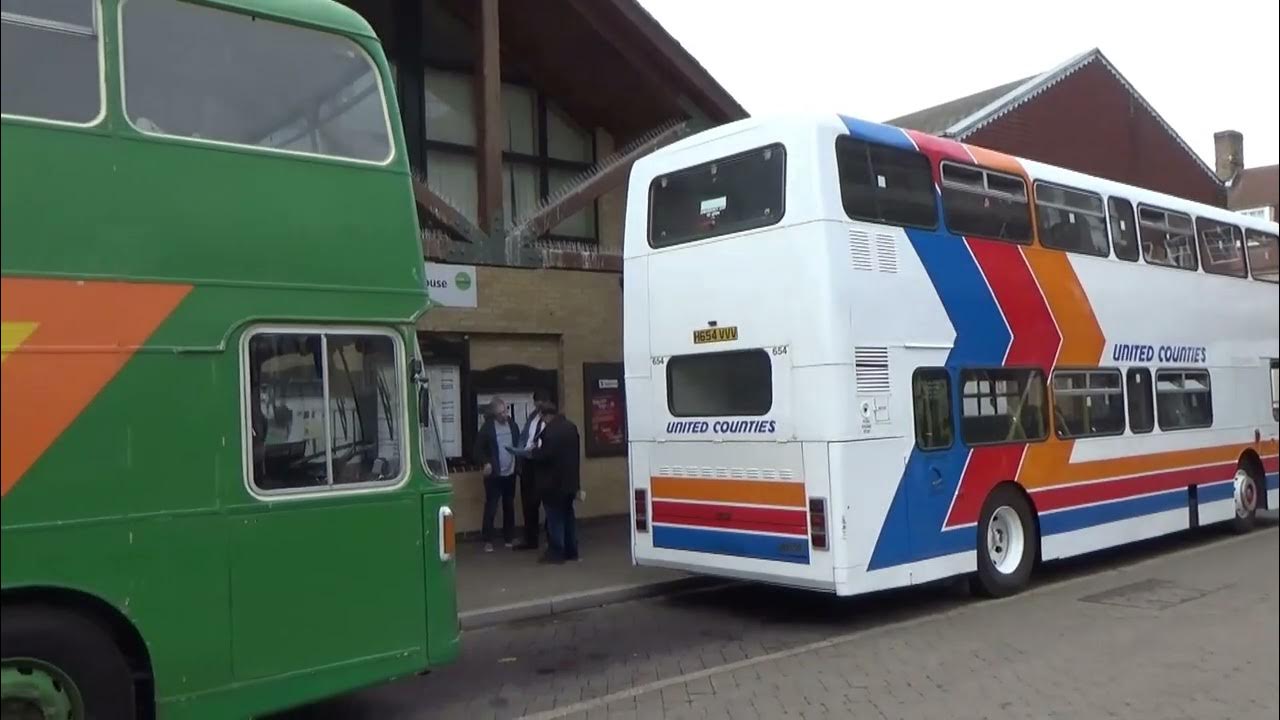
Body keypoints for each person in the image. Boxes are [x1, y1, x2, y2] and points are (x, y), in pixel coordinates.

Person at [524, 399, 581, 564]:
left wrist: (533, 453)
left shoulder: (550, 431)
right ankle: (572, 551)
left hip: (552, 483)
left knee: (555, 519)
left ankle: (557, 552)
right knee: (568, 516)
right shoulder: (571, 427)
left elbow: (546, 455)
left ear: (545, 415)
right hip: (570, 482)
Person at [473, 398, 521, 552]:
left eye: (505, 411)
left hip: (510, 472)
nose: (504, 415)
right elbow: (477, 450)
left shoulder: (512, 425)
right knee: (491, 507)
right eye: (501, 413)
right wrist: (486, 462)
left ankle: (509, 537)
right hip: (494, 474)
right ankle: (488, 539)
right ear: (494, 414)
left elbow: (518, 443)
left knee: (509, 505)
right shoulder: (487, 429)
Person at [512, 390, 552, 551]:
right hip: (528, 462)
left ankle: (551, 538)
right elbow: (524, 436)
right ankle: (531, 538)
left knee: (548, 502)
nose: (538, 407)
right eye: (536, 403)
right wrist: (519, 451)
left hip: (542, 462)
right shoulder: (532, 417)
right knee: (529, 503)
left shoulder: (551, 419)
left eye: (541, 403)